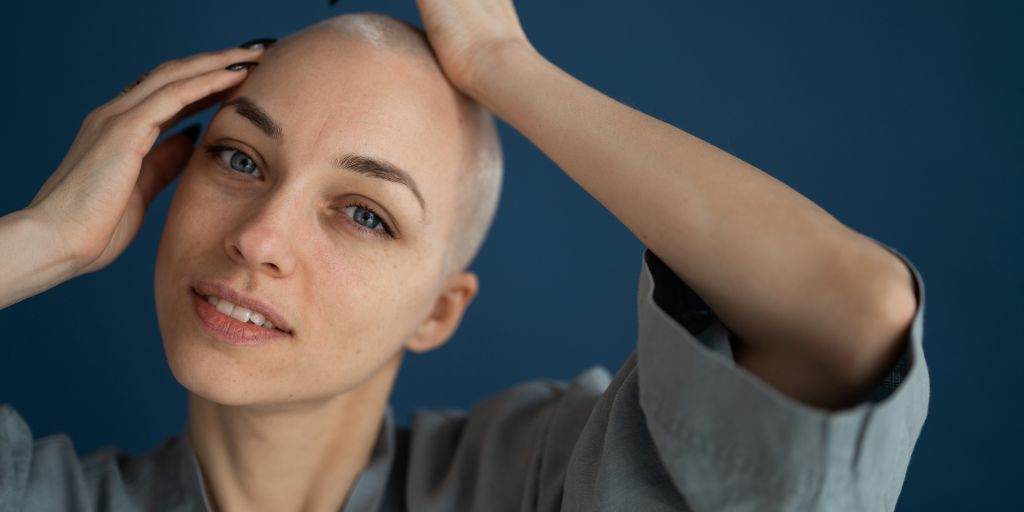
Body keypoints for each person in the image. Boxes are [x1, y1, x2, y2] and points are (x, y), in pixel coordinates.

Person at [0, 1, 929, 511]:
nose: (258, 238)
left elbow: (850, 317)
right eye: (239, 158)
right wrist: (40, 241)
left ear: (441, 309)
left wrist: (497, 60)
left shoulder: (548, 487)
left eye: (364, 214)